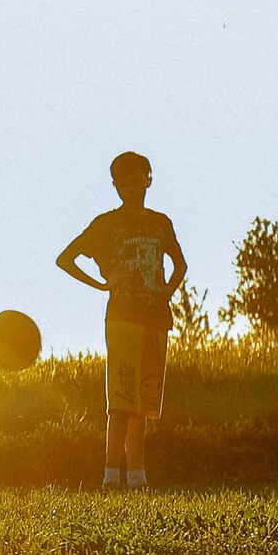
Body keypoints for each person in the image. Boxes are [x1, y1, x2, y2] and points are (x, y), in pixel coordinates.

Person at [56, 151, 187, 489]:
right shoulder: (106, 224)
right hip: (122, 318)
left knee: (144, 402)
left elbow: (180, 265)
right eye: (123, 179)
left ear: (149, 179)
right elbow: (66, 259)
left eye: (137, 177)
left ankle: (138, 478)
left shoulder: (160, 222)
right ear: (114, 185)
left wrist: (165, 292)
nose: (131, 185)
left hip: (156, 318)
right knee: (121, 399)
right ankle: (110, 476)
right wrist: (102, 284)